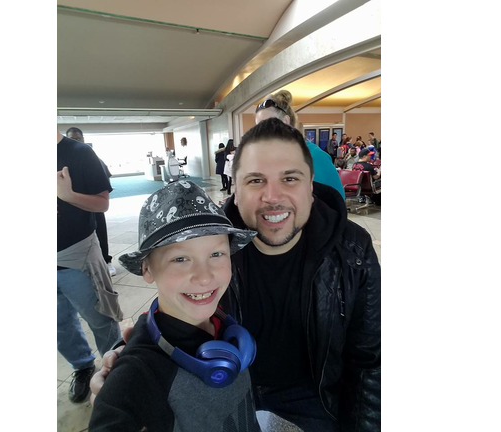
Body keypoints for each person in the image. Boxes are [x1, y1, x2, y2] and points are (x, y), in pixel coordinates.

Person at [93, 118, 381, 431]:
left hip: (316, 399)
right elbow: (178, 290)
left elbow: (369, 360)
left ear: (311, 186)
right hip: (221, 388)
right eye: (256, 180)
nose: (272, 196)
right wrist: (133, 357)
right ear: (236, 188)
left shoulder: (351, 249)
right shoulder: (212, 239)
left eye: (290, 179)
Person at [89, 181, 260, 431]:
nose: (204, 277)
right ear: (147, 269)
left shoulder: (225, 319)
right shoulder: (139, 370)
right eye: (180, 259)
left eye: (216, 254)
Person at [57, 130, 123, 403]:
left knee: (100, 318)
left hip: (77, 255)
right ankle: (82, 366)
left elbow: (103, 203)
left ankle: (116, 372)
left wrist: (67, 195)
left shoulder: (79, 153)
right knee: (59, 324)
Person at [253, 90, 346, 201]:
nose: (261, 133)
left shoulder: (314, 156)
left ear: (285, 121)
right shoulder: (269, 159)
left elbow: (337, 204)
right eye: (258, 127)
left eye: (266, 125)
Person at [66, 127, 117, 276]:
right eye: (71, 139)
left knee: (100, 230)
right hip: (74, 205)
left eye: (77, 138)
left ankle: (106, 261)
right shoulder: (65, 159)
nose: (75, 142)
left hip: (93, 203)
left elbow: (104, 180)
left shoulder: (89, 156)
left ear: (83, 138)